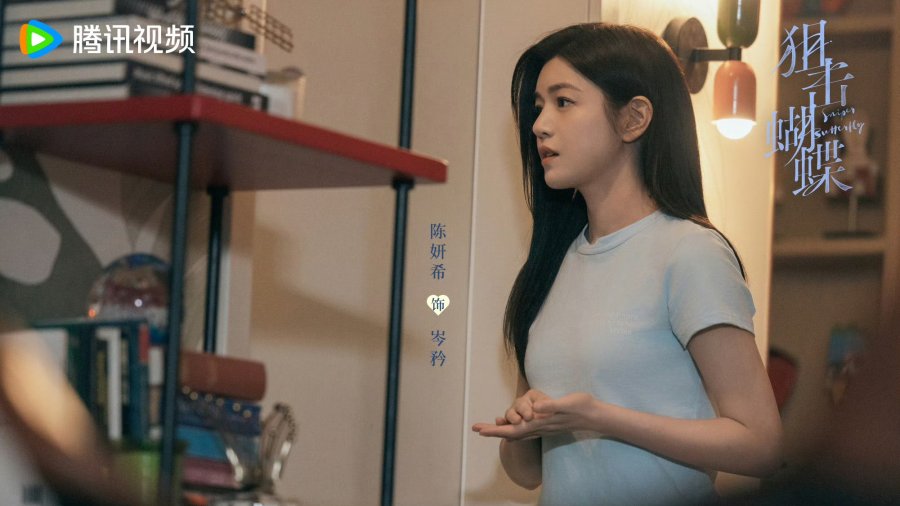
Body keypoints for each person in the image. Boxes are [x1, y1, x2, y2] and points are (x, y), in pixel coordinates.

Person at [471, 23, 783, 506]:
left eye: (563, 102)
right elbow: (526, 473)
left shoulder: (690, 253)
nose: (539, 125)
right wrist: (524, 425)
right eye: (538, 107)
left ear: (634, 118)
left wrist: (601, 417)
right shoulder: (550, 267)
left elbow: (761, 445)